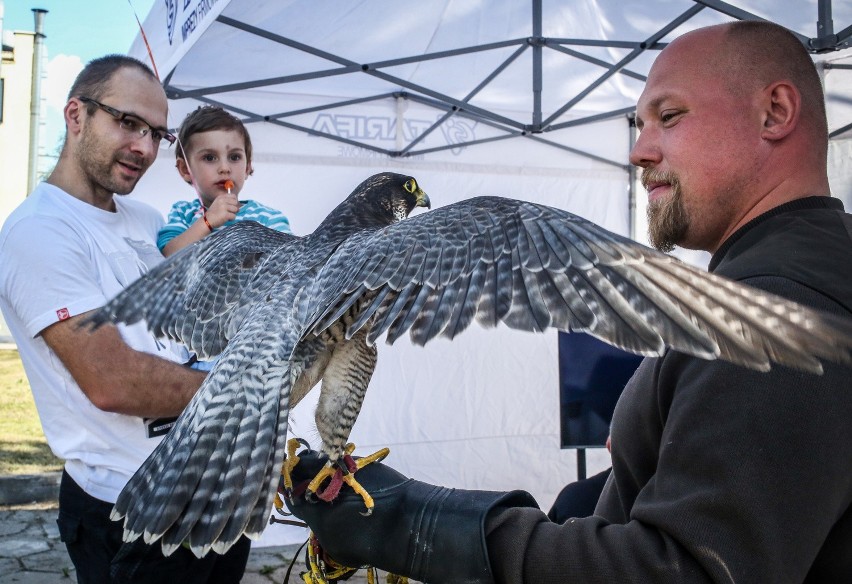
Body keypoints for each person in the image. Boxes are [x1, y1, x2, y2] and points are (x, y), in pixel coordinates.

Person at [285, 21, 852, 583]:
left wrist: (411, 525)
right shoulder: (784, 276)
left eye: (669, 117)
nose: (638, 150)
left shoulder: (778, 309)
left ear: (774, 112)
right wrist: (602, 491)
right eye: (638, 123)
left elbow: (682, 572)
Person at [0, 55, 251, 583]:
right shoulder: (38, 233)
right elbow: (112, 381)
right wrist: (250, 391)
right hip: (132, 509)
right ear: (76, 115)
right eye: (127, 122)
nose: (144, 147)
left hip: (212, 490)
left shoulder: (147, 221)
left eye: (157, 134)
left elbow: (183, 330)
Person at [157, 105, 291, 257]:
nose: (224, 168)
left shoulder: (267, 218)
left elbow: (289, 261)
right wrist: (207, 222)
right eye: (210, 158)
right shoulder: (183, 213)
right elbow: (168, 256)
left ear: (247, 167)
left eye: (234, 157)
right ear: (185, 169)